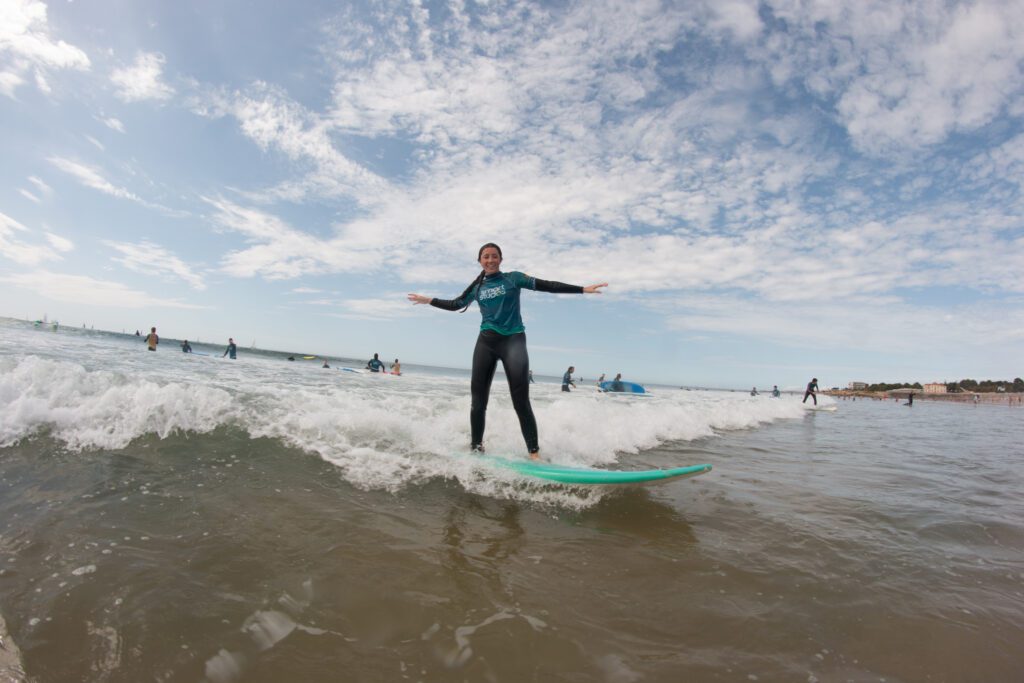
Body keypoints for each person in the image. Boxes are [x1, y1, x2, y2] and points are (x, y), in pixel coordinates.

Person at [408, 242, 607, 459]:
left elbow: (547, 285)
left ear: (500, 259)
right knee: (478, 402)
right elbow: (456, 304)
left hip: (514, 341)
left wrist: (582, 289)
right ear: (480, 261)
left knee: (521, 401)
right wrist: (429, 300)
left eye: (494, 256)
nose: (490, 260)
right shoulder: (477, 287)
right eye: (486, 257)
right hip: (486, 343)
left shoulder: (514, 278)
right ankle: (476, 447)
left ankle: (534, 452)